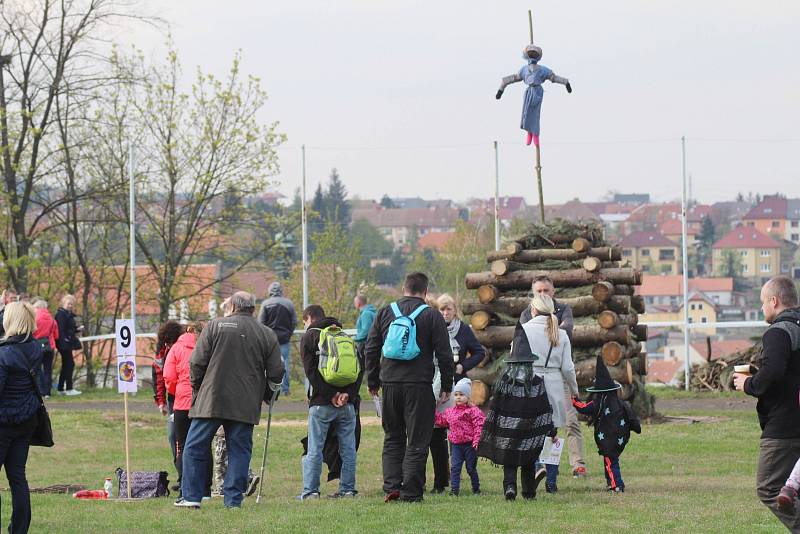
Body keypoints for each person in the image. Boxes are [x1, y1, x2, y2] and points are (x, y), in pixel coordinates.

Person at [175, 291, 284, 509]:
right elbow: (276, 372)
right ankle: (233, 501)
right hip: (245, 403)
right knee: (240, 451)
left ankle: (191, 497)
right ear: (253, 308)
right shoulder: (266, 333)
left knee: (195, 447)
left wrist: (198, 388)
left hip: (211, 399)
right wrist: (267, 396)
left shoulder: (214, 326)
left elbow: (196, 362)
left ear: (233, 306)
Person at [364, 272, 454, 503]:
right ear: (425, 292)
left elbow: (371, 348)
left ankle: (392, 487)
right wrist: (446, 385)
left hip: (390, 385)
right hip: (419, 386)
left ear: (403, 288)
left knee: (393, 437)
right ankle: (412, 491)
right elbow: (445, 354)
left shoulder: (385, 312)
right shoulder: (432, 315)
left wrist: (373, 381)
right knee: (417, 439)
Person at [733, 276, 800, 530]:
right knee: (793, 490)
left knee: (769, 487)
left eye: (763, 303)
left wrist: (749, 384)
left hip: (784, 425)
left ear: (774, 301)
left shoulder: (778, 332)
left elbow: (774, 370)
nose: (762, 308)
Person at [477, 322, 554, 501]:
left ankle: (510, 487)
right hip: (529, 430)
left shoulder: (505, 381)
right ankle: (528, 492)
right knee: (528, 459)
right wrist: (550, 429)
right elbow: (544, 408)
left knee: (509, 460)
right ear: (530, 362)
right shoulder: (536, 382)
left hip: (508, 430)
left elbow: (495, 405)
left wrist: (492, 425)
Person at [520, 275, 586, 478]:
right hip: (552, 376)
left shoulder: (563, 309)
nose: (542, 294)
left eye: (545, 290)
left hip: (553, 378)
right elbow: (559, 333)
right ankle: (549, 475)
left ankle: (577, 464)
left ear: (553, 291)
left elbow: (567, 329)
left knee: (569, 421)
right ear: (533, 293)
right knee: (550, 428)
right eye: (538, 291)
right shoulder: (526, 314)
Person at [298, 305, 361, 500]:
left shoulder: (309, 337)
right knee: (348, 449)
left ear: (309, 318)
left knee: (315, 448)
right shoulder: (344, 336)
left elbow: (311, 373)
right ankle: (348, 489)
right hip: (347, 404)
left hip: (321, 403)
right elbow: (359, 370)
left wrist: (330, 395)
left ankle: (311, 492)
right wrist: (347, 395)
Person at [0, 301, 44, 533]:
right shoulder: (35, 348)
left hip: (4, 421)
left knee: (17, 477)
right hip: (27, 418)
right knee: (17, 477)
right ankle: (19, 529)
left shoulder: (5, 353)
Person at [572, 355, 641, 493]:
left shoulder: (598, 402)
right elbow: (633, 419)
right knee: (611, 459)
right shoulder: (622, 403)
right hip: (620, 438)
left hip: (608, 439)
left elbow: (584, 408)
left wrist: (573, 401)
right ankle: (611, 483)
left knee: (611, 462)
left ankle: (617, 485)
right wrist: (636, 428)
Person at [164, 323, 212, 499]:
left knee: (183, 446)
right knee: (204, 444)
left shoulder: (176, 348)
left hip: (182, 403)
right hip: (202, 401)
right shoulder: (206, 346)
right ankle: (206, 489)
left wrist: (175, 391)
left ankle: (186, 487)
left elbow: (168, 377)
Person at [433, 378, 485, 496]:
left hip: (469, 445)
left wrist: (476, 441)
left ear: (468, 396)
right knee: (455, 468)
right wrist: (433, 412)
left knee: (471, 468)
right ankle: (454, 490)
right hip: (456, 445)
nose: (458, 397)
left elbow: (479, 426)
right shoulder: (450, 412)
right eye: (456, 394)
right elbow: (442, 421)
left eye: (461, 394)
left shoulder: (473, 411)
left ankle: (476, 489)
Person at [151, 320, 184, 478]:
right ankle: (181, 474)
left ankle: (190, 477)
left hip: (188, 397)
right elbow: (158, 377)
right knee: (172, 436)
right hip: (172, 400)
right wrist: (161, 401)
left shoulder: (184, 347)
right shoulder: (161, 352)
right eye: (167, 343)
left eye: (172, 342)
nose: (170, 346)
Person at [258, 282, 297, 395]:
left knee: (268, 364)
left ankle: (272, 390)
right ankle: (286, 390)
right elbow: (294, 321)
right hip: (284, 339)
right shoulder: (288, 303)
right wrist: (289, 333)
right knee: (285, 363)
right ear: (281, 290)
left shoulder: (265, 304)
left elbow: (261, 323)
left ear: (269, 291)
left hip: (269, 340)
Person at [438, 294, 486, 383]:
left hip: (457, 382)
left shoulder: (463, 329)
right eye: (442, 309)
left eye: (449, 309)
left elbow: (479, 353)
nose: (445, 313)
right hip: (435, 379)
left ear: (455, 311)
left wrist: (463, 366)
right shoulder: (433, 329)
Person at [54, 294, 82, 396]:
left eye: (72, 304)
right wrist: (65, 341)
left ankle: (61, 388)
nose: (70, 306)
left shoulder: (67, 314)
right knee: (70, 364)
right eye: (68, 303)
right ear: (64, 303)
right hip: (63, 344)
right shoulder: (61, 315)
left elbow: (69, 328)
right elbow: (61, 330)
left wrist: (77, 329)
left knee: (66, 365)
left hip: (66, 342)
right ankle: (69, 388)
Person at [32, 299, 58, 399]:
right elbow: (56, 334)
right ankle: (48, 392)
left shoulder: (35, 318)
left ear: (38, 307)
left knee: (38, 369)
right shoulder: (52, 319)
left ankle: (41, 391)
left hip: (37, 346)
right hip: (49, 347)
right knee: (48, 370)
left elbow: (32, 332)